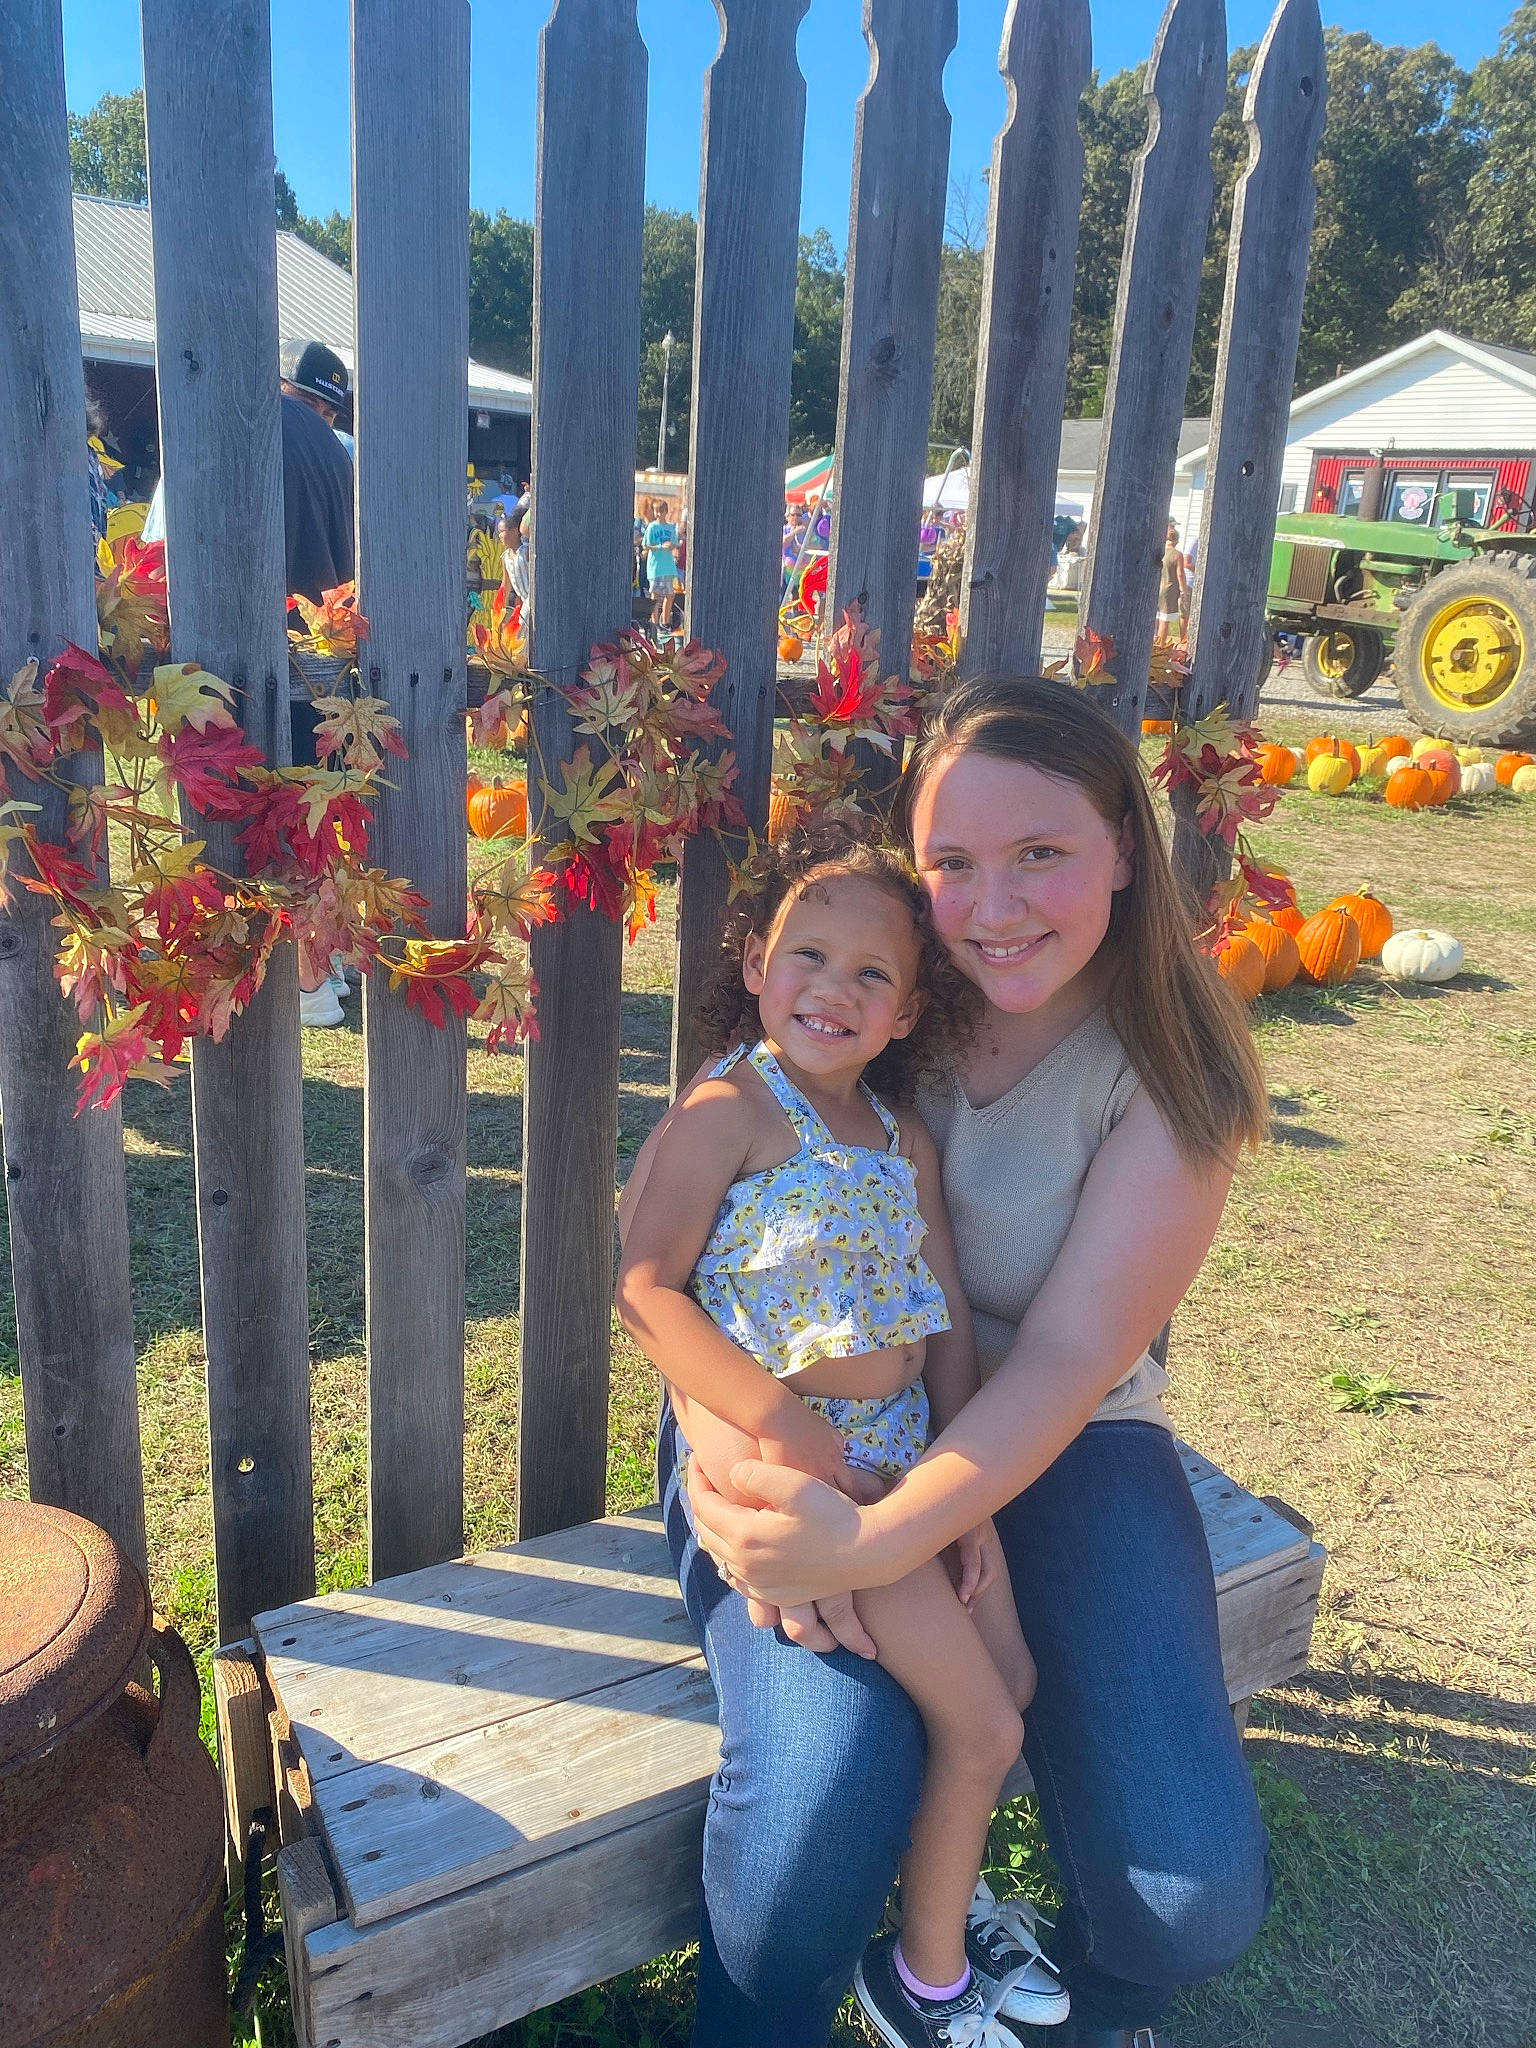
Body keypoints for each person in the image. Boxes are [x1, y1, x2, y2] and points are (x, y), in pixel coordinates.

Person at [624, 676, 1272, 2047]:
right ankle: (766, 2015)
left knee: (1188, 1896)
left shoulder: (1166, 1067)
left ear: (1122, 850)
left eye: (1042, 854)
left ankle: (1072, 1992)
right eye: (955, 864)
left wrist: (897, 1536)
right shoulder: (879, 1009)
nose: (995, 907)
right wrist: (743, 1444)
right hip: (798, 1419)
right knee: (821, 1797)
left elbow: (1075, 1361)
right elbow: (685, 1270)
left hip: (1066, 1429)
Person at [617, 825, 1068, 2046]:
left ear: (911, 1007)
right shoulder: (729, 1109)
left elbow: (948, 1320)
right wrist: (790, 1432)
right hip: (817, 1479)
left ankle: (944, 1890)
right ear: (755, 959)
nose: (838, 987)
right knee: (986, 1725)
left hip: (910, 1465)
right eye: (810, 952)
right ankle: (922, 1987)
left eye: (875, 973)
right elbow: (647, 1287)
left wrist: (964, 1486)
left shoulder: (899, 1134)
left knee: (1013, 1674)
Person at [645, 498, 680, 635]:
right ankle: (653, 622)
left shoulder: (671, 527)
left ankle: (664, 621)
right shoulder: (652, 527)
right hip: (655, 566)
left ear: (666, 511)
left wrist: (671, 545)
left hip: (668, 566)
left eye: (661, 511)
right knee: (654, 595)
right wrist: (660, 546)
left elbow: (675, 543)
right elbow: (646, 545)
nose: (659, 514)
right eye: (656, 511)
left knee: (670, 595)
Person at [1155, 522, 1187, 644]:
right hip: (1169, 589)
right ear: (1177, 540)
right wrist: (1183, 590)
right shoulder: (1177, 555)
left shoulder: (1161, 551)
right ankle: (1160, 646)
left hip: (1158, 587)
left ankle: (1154, 643)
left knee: (1156, 618)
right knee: (1165, 620)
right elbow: (1180, 573)